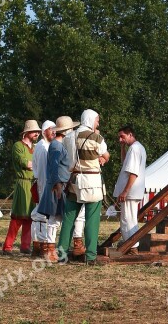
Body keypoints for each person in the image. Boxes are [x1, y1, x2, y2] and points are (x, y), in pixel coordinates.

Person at [58, 109, 110, 265]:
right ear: (90, 120)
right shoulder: (97, 138)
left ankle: (61, 255)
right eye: (97, 120)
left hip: (74, 180)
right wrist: (101, 157)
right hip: (92, 182)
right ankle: (91, 256)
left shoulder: (68, 137)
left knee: (68, 219)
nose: (98, 123)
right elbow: (106, 155)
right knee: (92, 220)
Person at [37, 116, 78, 263]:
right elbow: (54, 167)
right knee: (54, 219)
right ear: (67, 130)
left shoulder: (58, 145)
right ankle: (50, 251)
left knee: (58, 218)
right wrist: (58, 185)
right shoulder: (56, 146)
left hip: (60, 184)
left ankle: (53, 249)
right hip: (57, 185)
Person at [2, 120, 41, 255]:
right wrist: (37, 164)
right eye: (35, 131)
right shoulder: (18, 146)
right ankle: (7, 246)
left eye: (38, 132)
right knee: (18, 217)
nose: (37, 134)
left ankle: (25, 246)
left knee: (31, 217)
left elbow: (35, 163)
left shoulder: (36, 147)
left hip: (33, 183)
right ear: (27, 132)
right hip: (23, 183)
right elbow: (25, 163)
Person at [113, 126, 147, 256]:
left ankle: (132, 247)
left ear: (130, 134)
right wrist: (122, 148)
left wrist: (125, 191)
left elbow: (133, 173)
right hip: (133, 190)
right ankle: (130, 245)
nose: (120, 139)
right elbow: (124, 163)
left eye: (122, 136)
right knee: (128, 218)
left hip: (131, 191)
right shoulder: (137, 148)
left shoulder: (134, 149)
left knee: (128, 219)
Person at [30, 120, 56, 257]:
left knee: (43, 215)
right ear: (44, 131)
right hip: (43, 185)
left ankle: (40, 244)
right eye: (51, 129)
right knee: (41, 215)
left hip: (45, 184)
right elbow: (42, 171)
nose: (54, 132)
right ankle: (40, 245)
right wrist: (46, 187)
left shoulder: (46, 146)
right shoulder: (42, 147)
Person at [63, 121, 87, 261]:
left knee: (73, 215)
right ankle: (74, 246)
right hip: (77, 178)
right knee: (76, 214)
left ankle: (73, 246)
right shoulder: (70, 138)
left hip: (71, 178)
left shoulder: (67, 139)